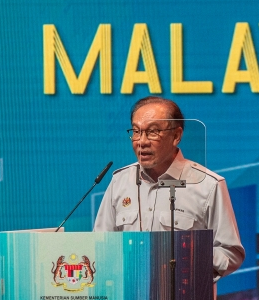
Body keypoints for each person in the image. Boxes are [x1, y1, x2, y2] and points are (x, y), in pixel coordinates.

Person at [93, 96, 245, 280]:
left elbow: (231, 253)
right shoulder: (120, 181)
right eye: (136, 131)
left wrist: (188, 259)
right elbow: (100, 245)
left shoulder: (208, 185)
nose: (141, 141)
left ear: (176, 136)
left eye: (153, 132)